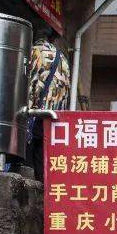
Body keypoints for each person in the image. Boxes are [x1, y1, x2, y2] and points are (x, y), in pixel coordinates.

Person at [26, 26, 71, 181]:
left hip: (33, 114)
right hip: (54, 117)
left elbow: (27, 83)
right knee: (43, 157)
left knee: (26, 158)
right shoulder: (63, 59)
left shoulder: (32, 52)